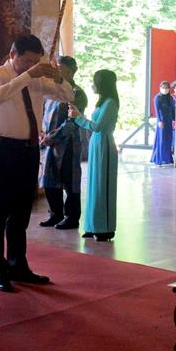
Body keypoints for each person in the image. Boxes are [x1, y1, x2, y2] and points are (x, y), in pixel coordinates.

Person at [0, 34, 73, 292]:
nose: (32, 65)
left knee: (22, 211)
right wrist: (27, 75)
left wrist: (59, 78)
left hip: (30, 149)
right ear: (13, 54)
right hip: (5, 149)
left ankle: (18, 265)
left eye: (36, 61)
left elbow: (68, 97)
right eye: (28, 60)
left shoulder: (37, 78)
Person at [69, 69, 119, 242]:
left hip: (104, 144)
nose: (93, 85)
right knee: (93, 185)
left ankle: (104, 227)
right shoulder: (103, 102)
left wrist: (78, 117)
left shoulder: (110, 103)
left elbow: (98, 126)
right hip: (96, 144)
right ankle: (92, 225)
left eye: (95, 81)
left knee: (102, 186)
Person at [39, 56, 88, 230]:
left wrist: (54, 137)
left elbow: (72, 121)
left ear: (70, 71)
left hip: (68, 144)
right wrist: (42, 134)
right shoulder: (51, 90)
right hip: (48, 144)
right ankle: (55, 214)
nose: (56, 70)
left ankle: (71, 217)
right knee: (49, 179)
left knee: (69, 181)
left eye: (60, 68)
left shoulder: (77, 93)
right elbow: (43, 114)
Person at [150, 81, 175, 166]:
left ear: (169, 88)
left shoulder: (170, 98)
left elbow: (173, 109)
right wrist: (160, 121)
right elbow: (157, 110)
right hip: (162, 121)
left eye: (166, 87)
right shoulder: (157, 98)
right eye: (163, 87)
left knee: (168, 139)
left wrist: (174, 120)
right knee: (161, 140)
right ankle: (159, 159)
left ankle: (167, 158)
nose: (165, 89)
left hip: (169, 121)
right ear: (160, 88)